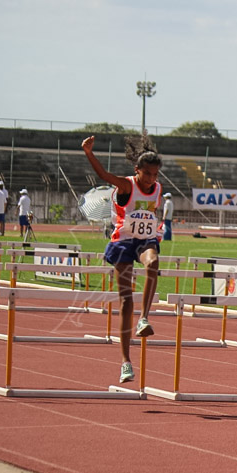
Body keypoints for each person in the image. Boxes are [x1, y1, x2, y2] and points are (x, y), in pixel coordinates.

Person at [82, 134, 163, 384]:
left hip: (144, 241)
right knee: (125, 302)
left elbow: (150, 213)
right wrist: (88, 153)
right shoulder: (128, 185)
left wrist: (153, 229)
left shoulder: (158, 189)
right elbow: (105, 177)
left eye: (155, 175)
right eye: (147, 174)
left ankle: (145, 318)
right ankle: (126, 362)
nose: (152, 179)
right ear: (137, 170)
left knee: (154, 263)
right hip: (123, 243)